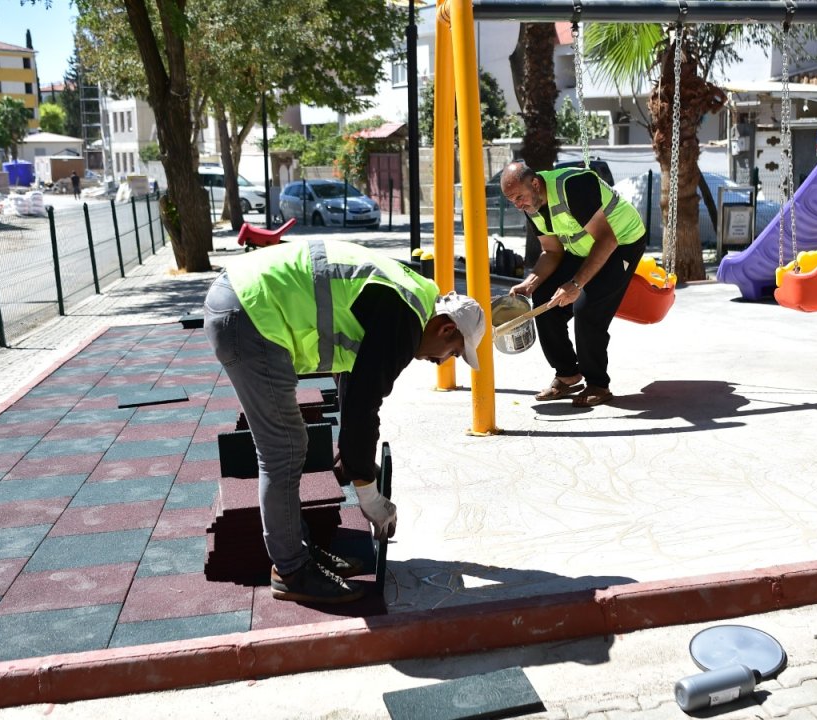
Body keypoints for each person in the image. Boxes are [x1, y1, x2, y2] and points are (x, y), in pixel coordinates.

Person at [203, 238, 486, 604]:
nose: (445, 361)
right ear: (446, 329)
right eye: (454, 353)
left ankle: (297, 551)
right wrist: (369, 493)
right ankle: (291, 571)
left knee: (291, 444)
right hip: (250, 313)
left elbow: (353, 388)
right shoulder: (405, 317)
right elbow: (363, 405)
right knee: (284, 448)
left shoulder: (405, 298)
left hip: (246, 303)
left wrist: (354, 459)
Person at [499, 161, 648, 407]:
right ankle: (568, 374)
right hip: (584, 249)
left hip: (621, 244)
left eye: (518, 198)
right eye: (511, 200)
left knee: (587, 310)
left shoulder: (573, 186)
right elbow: (552, 251)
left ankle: (598, 384)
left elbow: (607, 241)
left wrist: (576, 284)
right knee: (544, 298)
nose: (517, 205)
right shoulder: (532, 202)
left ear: (535, 184)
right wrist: (531, 282)